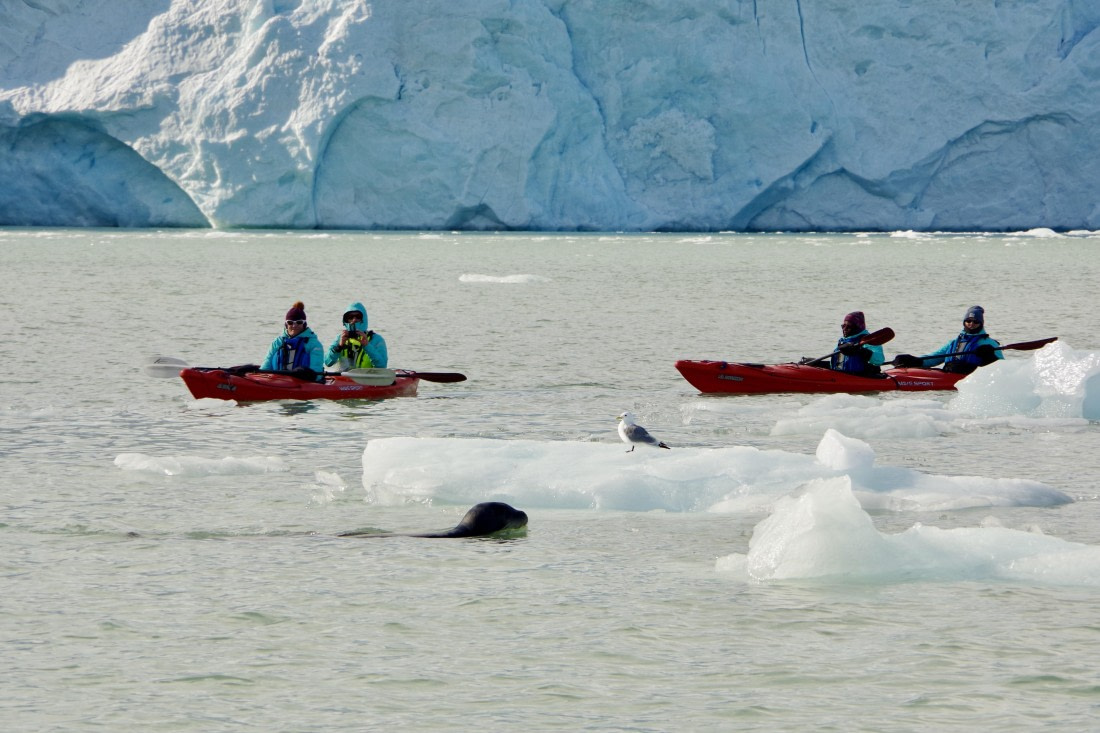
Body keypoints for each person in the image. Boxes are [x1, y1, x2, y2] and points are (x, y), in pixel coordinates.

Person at [893, 305, 1002, 375]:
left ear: (981, 323)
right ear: (964, 322)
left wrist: (990, 358)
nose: (971, 324)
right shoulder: (954, 342)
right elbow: (934, 358)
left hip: (970, 377)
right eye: (968, 321)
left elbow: (1004, 369)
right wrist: (914, 360)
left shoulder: (989, 343)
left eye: (975, 321)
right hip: (949, 374)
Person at [260, 301, 325, 379]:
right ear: (286, 325)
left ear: (304, 324)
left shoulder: (314, 344)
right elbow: (265, 368)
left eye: (299, 322)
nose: (294, 325)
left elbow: (316, 372)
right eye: (290, 322)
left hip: (303, 383)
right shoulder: (277, 342)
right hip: (278, 382)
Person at [324, 301, 388, 370]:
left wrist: (367, 346)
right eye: (350, 317)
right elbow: (327, 362)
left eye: (358, 317)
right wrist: (339, 347)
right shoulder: (340, 338)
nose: (354, 320)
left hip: (368, 379)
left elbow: (382, 366)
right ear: (346, 321)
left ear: (363, 319)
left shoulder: (376, 340)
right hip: (344, 379)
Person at [820, 310, 885, 376]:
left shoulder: (868, 340)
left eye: (848, 327)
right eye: (843, 326)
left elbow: (879, 360)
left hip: (860, 377)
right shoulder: (843, 341)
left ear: (857, 328)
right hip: (841, 374)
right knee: (810, 361)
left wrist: (860, 351)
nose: (844, 329)